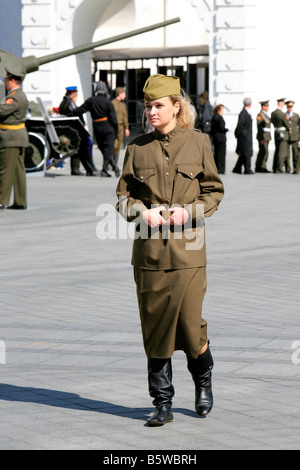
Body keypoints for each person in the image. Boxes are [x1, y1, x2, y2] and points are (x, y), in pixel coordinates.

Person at [116, 74, 224, 426]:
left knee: (191, 326)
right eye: (147, 106)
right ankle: (162, 402)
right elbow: (122, 197)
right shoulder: (137, 148)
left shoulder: (199, 143)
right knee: (156, 327)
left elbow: (213, 192)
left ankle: (203, 381)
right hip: (149, 254)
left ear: (177, 107)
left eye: (158, 106)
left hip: (189, 251)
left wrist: (188, 211)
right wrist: (139, 211)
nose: (151, 112)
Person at [72, 81, 118, 177]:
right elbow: (113, 119)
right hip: (108, 128)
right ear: (105, 90)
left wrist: (68, 112)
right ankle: (106, 169)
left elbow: (79, 111)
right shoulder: (108, 102)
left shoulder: (91, 100)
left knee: (102, 148)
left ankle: (112, 167)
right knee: (108, 149)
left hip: (97, 128)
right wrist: (116, 130)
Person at [0, 66, 29, 210]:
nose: (5, 82)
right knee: (18, 170)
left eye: (6, 80)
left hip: (10, 138)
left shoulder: (14, 97)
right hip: (18, 137)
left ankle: (1, 200)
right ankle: (20, 201)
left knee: (5, 171)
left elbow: (1, 111)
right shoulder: (20, 95)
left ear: (12, 81)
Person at [58, 86, 99, 176]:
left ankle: (77, 169)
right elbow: (76, 114)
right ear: (72, 94)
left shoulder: (64, 102)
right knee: (87, 145)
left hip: (70, 129)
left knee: (78, 149)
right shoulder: (70, 102)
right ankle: (90, 168)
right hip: (75, 129)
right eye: (76, 95)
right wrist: (82, 124)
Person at [111, 87, 130, 177]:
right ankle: (112, 163)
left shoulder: (123, 105)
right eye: (124, 93)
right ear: (119, 93)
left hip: (121, 127)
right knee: (113, 145)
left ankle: (114, 163)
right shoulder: (112, 103)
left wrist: (126, 128)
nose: (125, 95)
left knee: (118, 145)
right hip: (114, 127)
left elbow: (125, 117)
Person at [233, 97, 254, 174]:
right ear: (250, 104)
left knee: (244, 153)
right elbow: (240, 125)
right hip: (244, 137)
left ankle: (237, 168)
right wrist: (238, 134)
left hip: (246, 136)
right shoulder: (243, 113)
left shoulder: (246, 112)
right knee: (247, 152)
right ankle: (247, 169)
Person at [281, 100, 300, 174]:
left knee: (295, 153)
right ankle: (287, 168)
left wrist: (299, 136)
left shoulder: (296, 115)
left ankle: (296, 168)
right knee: (287, 154)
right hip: (287, 136)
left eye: (291, 107)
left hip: (295, 136)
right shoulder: (284, 115)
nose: (290, 108)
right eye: (289, 107)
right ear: (286, 107)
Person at [270, 98, 288, 173]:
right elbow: (287, 124)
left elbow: (272, 122)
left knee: (277, 150)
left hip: (276, 132)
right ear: (282, 104)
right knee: (282, 152)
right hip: (283, 133)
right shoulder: (282, 114)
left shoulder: (273, 113)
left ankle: (274, 167)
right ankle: (279, 168)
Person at [210, 104, 228, 174]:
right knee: (222, 154)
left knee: (217, 153)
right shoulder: (219, 118)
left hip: (215, 137)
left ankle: (216, 168)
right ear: (218, 110)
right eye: (222, 109)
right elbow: (222, 128)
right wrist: (227, 129)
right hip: (221, 138)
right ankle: (221, 169)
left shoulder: (214, 117)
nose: (223, 111)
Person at [255, 100, 272, 172]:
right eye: (266, 106)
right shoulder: (260, 115)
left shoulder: (265, 114)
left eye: (268, 105)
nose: (268, 107)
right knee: (264, 151)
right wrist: (262, 138)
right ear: (263, 107)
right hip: (263, 136)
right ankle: (261, 167)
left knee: (263, 151)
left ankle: (260, 166)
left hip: (267, 136)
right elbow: (259, 127)